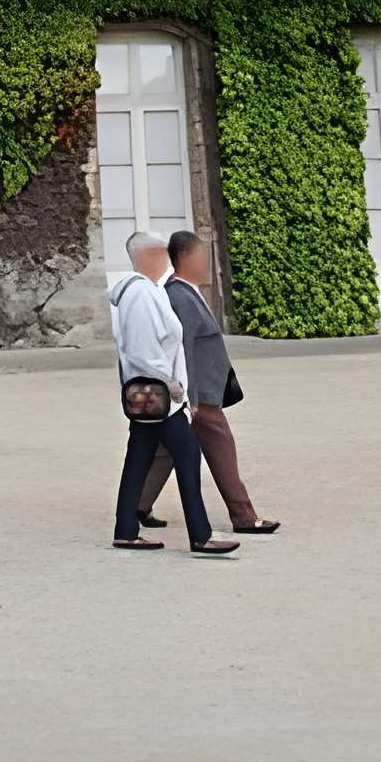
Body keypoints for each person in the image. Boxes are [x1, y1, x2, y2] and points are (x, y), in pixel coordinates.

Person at [137, 231, 276, 537]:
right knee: (221, 447)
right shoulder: (178, 295)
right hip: (199, 396)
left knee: (165, 450)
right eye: (202, 257)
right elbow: (181, 348)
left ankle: (137, 505)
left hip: (199, 392)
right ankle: (244, 516)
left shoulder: (187, 291)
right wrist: (191, 397)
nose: (207, 264)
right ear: (185, 258)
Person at [107, 233, 232, 556]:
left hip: (154, 394)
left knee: (138, 458)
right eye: (161, 252)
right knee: (188, 455)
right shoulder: (140, 295)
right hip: (161, 394)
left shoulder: (147, 292)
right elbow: (142, 349)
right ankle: (200, 536)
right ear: (148, 255)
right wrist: (173, 385)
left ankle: (125, 531)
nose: (166, 258)